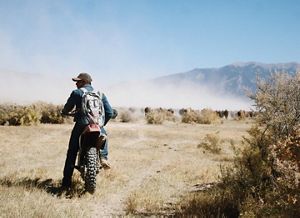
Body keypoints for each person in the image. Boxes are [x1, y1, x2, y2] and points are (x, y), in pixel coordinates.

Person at [61, 72, 114, 188]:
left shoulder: (77, 93)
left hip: (82, 125)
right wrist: (101, 124)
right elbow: (109, 112)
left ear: (84, 82)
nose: (76, 84)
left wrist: (64, 112)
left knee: (72, 152)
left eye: (78, 82)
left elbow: (67, 107)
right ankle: (104, 157)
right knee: (103, 135)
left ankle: (66, 183)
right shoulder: (100, 94)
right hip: (97, 125)